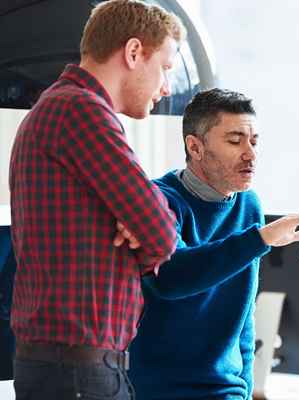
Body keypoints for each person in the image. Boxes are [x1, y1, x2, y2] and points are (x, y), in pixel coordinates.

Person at [8, 1, 184, 398]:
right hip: (77, 373)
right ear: (134, 52)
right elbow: (161, 234)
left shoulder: (60, 106)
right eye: (166, 68)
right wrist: (144, 231)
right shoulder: (81, 111)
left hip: (67, 368)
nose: (167, 87)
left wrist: (143, 221)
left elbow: (155, 222)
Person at [128, 88, 299, 400]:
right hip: (157, 390)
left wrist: (247, 389)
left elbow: (242, 314)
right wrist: (262, 238)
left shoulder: (248, 205)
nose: (250, 153)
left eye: (254, 141)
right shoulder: (159, 200)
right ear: (195, 147)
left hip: (226, 391)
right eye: (235, 141)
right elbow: (171, 275)